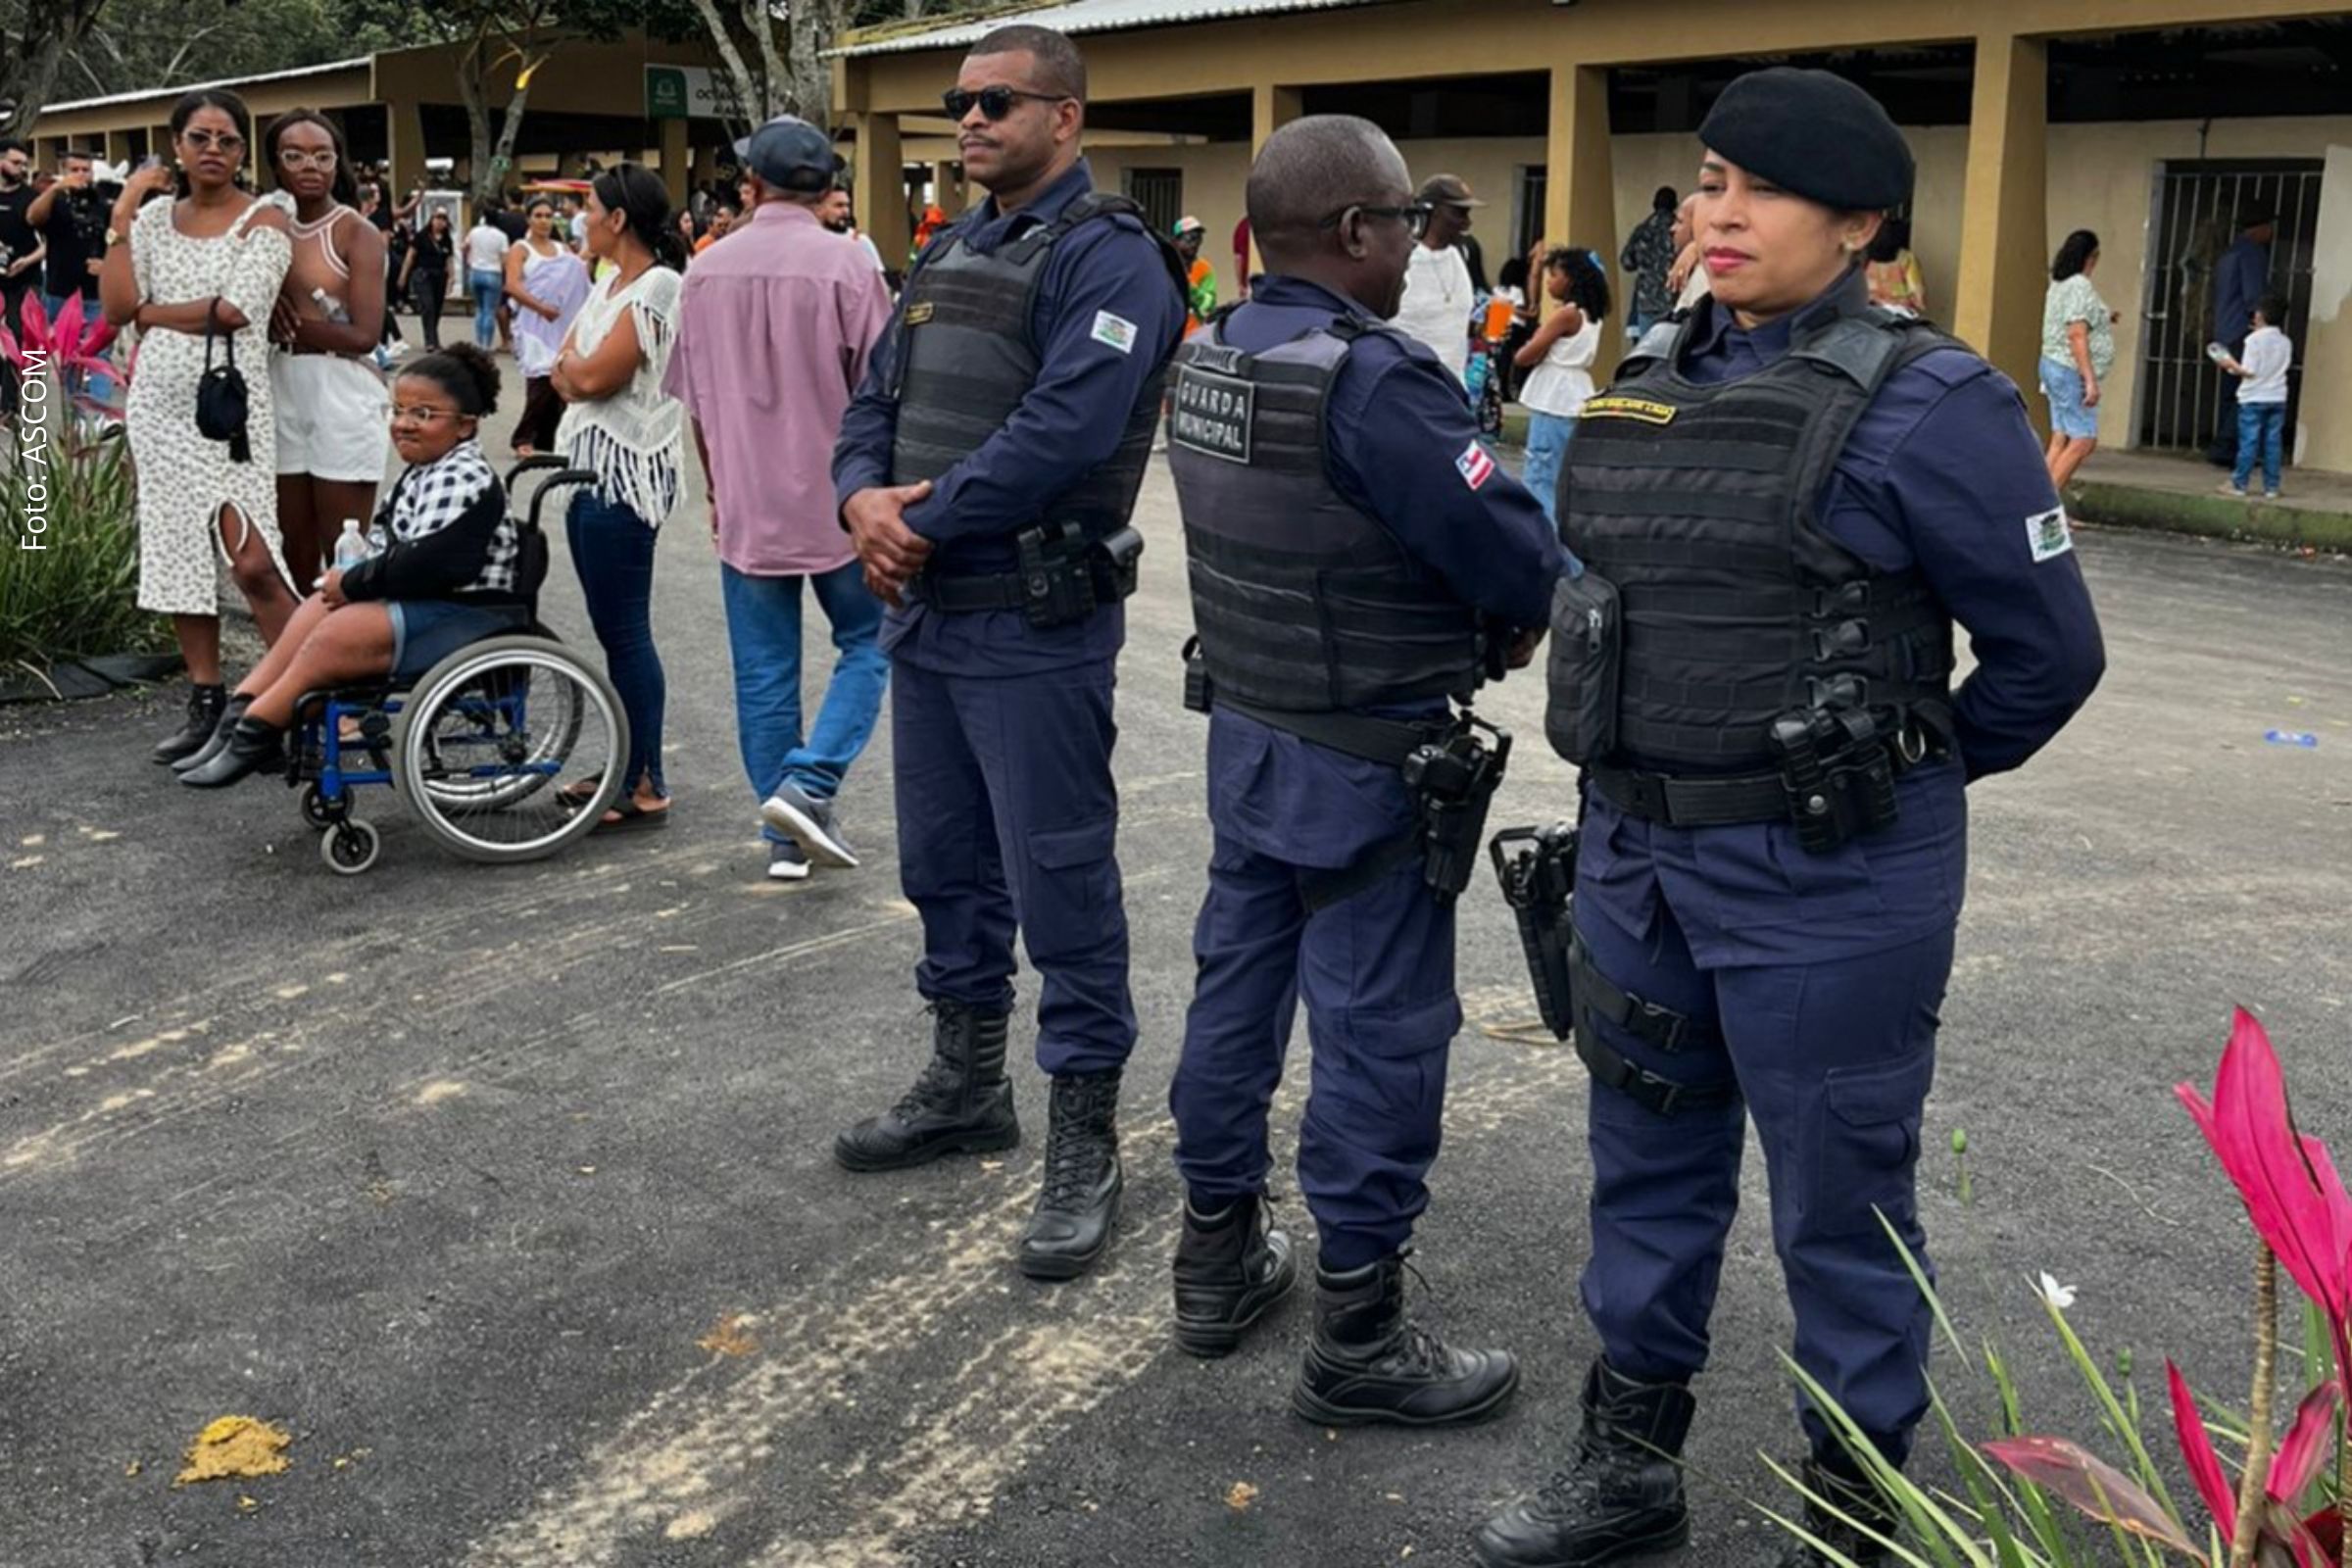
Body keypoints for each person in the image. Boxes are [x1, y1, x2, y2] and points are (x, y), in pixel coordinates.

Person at [1472, 67, 2106, 1568]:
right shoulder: (1656, 373)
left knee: (1841, 1193)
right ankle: (1628, 1463)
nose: (1720, 211)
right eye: (1706, 180)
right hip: (1634, 851)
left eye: (1761, 187)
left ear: (1862, 221)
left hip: (1829, 871)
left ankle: (1858, 1502)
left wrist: (1906, 767)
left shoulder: (1937, 401)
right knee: (1645, 1164)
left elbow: (2049, 655)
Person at [1163, 112, 1563, 1420]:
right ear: (1353, 232)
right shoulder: (1374, 376)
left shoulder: (1213, 349)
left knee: (1236, 998)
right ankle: (1360, 1335)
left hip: (1254, 736)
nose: (1413, 241)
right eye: (1402, 221)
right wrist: (1501, 609)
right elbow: (1510, 552)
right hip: (1371, 761)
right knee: (1382, 1033)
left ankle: (1216, 1262)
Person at [828, 24, 1185, 1281]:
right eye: (958, 101)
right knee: (945, 867)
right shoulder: (948, 251)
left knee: (1061, 882)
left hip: (1031, 627)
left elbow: (1065, 434)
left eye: (995, 101)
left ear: (1066, 119)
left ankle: (1086, 1138)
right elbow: (870, 401)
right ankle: (967, 1084)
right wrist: (858, 500)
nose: (968, 119)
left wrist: (909, 520)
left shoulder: (1115, 263)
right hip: (929, 617)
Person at [666, 119, 895, 883]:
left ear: (751, 186)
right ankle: (813, 781)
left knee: (764, 671)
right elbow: (886, 392)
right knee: (870, 640)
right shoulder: (850, 268)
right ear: (828, 190)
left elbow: (696, 404)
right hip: (842, 502)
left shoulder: (704, 272)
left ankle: (786, 837)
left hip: (750, 503)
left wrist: (718, 491)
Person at [175, 346, 527, 787]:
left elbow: (428, 563)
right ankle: (241, 714)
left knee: (335, 634)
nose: (404, 423)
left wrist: (357, 581)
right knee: (316, 608)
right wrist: (346, 579)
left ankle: (257, 729)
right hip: (430, 600)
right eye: (398, 410)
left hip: (468, 612)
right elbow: (391, 548)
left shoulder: (461, 475)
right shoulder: (426, 470)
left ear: (465, 425)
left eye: (423, 414)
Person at [100, 88, 303, 765]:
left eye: (228, 139)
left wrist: (154, 315)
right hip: (158, 410)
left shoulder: (268, 215)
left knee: (253, 561)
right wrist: (124, 211)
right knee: (177, 554)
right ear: (177, 147)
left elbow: (240, 309)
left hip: (229, 417)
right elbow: (118, 303)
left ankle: (289, 698)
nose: (213, 150)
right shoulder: (153, 219)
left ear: (244, 152)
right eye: (200, 138)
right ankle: (207, 700)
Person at [552, 165, 687, 832]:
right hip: (590, 472)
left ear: (619, 220)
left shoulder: (660, 283)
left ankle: (644, 780)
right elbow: (562, 368)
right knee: (613, 632)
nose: (583, 220)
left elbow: (596, 375)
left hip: (626, 475)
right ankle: (628, 768)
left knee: (627, 632)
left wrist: (580, 372)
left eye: (592, 208)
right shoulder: (610, 283)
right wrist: (580, 372)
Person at [263, 110, 389, 591]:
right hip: (279, 385)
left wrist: (291, 331)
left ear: (338, 163)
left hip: (341, 387)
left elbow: (364, 334)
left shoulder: (354, 231)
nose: (309, 166)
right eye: (294, 155)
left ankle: (346, 653)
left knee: (342, 543)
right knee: (290, 539)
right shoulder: (264, 226)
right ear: (277, 164)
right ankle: (297, 644)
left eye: (322, 155)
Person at [1514, 245, 1608, 525]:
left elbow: (1524, 356)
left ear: (1571, 279)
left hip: (1553, 396)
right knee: (1562, 477)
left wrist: (1534, 337)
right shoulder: (1591, 314)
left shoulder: (1565, 315)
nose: (1548, 281)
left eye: (1554, 274)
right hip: (1576, 391)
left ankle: (1548, 547)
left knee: (1540, 476)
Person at [26, 146, 115, 408]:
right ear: (63, 172)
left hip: (96, 293)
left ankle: (98, 414)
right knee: (69, 356)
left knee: (99, 353)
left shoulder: (103, 203)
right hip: (60, 292)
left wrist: (107, 265)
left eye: (85, 170)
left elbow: (121, 242)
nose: (80, 175)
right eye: (74, 170)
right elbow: (33, 218)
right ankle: (75, 413)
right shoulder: (56, 202)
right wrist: (54, 189)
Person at [504, 195, 590, 456]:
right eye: (538, 215)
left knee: (561, 377)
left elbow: (576, 275)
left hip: (560, 323)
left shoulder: (562, 250)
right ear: (528, 219)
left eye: (548, 216)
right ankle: (523, 438)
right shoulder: (521, 249)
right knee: (540, 379)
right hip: (534, 323)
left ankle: (552, 437)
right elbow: (513, 285)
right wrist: (540, 307)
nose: (543, 221)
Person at [2038, 228, 2113, 491]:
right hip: (2069, 369)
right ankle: (2046, 509)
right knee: (2083, 439)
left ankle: (2042, 504)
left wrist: (2105, 319)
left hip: (2053, 365)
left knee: (2061, 437)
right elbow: (2076, 333)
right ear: (2091, 257)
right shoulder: (2079, 285)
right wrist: (2090, 380)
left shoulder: (2059, 284)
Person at [1391, 173, 1479, 386]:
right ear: (1433, 210)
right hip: (1407, 386)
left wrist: (1480, 330)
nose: (1467, 222)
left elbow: (1448, 321)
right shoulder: (1401, 258)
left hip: (1453, 387)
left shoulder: (1460, 255)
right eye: (1459, 213)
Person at [2206, 210, 2273, 468]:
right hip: (2241, 333)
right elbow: (2253, 295)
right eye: (2269, 227)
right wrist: (2264, 325)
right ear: (2260, 228)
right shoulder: (2252, 254)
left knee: (2229, 393)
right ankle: (2226, 446)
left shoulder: (2228, 253)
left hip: (2223, 331)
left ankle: (2227, 447)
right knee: (2245, 393)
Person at [2217, 291, 2292, 500]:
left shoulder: (2253, 340)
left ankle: (2239, 484)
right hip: (2277, 397)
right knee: (2272, 443)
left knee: (2249, 442)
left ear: (2259, 315)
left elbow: (2249, 371)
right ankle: (2272, 487)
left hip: (2253, 399)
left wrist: (2230, 364)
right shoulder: (2285, 342)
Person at [0, 137, 41, 423]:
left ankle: (10, 407)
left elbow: (50, 243)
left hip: (25, 279)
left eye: (24, 164)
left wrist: (27, 260)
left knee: (16, 338)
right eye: (15, 163)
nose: (20, 169)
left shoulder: (32, 198)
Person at [1619, 185, 1679, 341]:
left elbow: (1626, 262)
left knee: (1646, 351)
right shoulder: (1679, 229)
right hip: (1673, 299)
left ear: (1654, 204)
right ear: (1675, 204)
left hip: (1646, 300)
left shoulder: (1643, 230)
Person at [398, 208, 455, 349]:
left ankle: (434, 336)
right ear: (431, 219)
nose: (440, 222)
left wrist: (452, 278)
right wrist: (403, 275)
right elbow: (410, 256)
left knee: (436, 307)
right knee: (427, 306)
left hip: (439, 275)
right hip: (423, 274)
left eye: (443, 219)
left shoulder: (446, 239)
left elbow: (449, 260)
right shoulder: (421, 236)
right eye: (437, 218)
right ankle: (430, 340)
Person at [463, 205, 509, 350]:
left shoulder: (474, 232)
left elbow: (464, 247)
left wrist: (469, 260)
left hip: (475, 271)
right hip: (493, 272)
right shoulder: (501, 236)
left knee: (480, 309)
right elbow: (505, 258)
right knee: (489, 310)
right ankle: (486, 345)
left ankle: (478, 340)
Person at [815, 185, 889, 272]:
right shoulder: (810, 241)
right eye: (839, 205)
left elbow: (878, 277)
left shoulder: (860, 241)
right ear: (819, 209)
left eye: (847, 205)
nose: (846, 211)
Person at [1863, 216, 1925, 317]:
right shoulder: (1906, 258)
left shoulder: (1865, 259)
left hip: (1870, 313)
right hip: (1899, 315)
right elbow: (1918, 297)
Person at [1173, 214, 1214, 334]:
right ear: (1176, 241)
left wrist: (1189, 287)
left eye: (1198, 238)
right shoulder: (1166, 266)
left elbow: (1207, 307)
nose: (1195, 243)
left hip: (1193, 336)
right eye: (1190, 238)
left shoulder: (1205, 269)